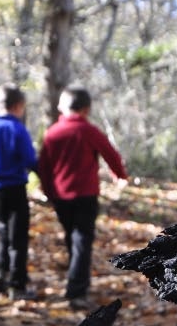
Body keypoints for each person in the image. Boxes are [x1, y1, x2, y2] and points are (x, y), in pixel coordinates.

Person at [37, 85, 128, 309]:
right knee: (82, 241)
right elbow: (110, 153)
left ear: (63, 107)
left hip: (61, 196)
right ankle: (77, 290)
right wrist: (120, 175)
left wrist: (48, 191)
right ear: (86, 109)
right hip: (85, 195)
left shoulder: (52, 133)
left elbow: (44, 166)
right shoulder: (88, 131)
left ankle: (76, 281)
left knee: (73, 238)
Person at [0, 84, 38, 299]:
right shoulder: (16, 129)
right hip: (14, 187)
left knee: (3, 230)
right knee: (18, 237)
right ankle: (17, 285)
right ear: (19, 106)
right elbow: (30, 159)